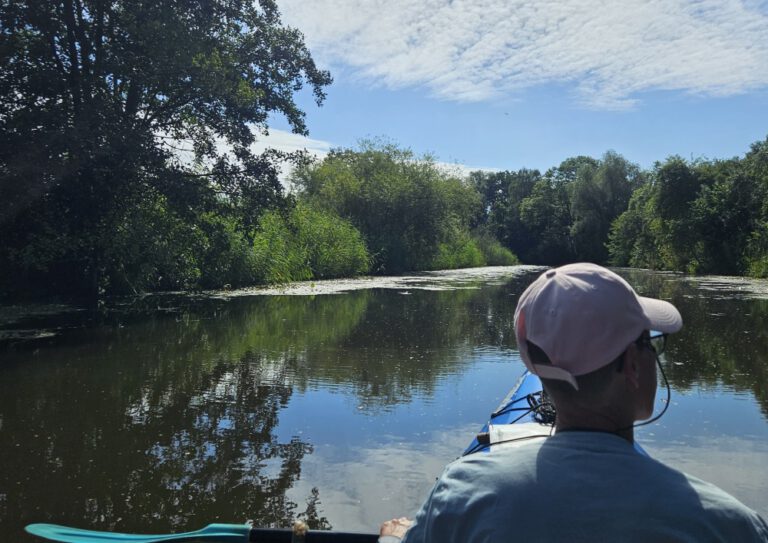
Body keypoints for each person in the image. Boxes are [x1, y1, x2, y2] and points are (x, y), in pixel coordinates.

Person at [379, 263, 768, 542]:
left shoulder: (459, 497)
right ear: (633, 364)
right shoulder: (729, 525)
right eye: (650, 343)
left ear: (534, 364)